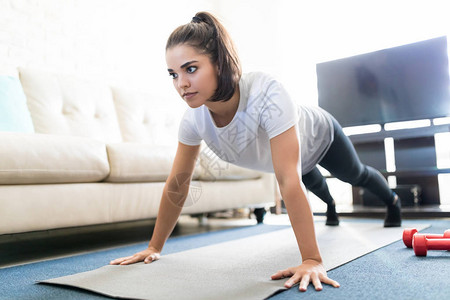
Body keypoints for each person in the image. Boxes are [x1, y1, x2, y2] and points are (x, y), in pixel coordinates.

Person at [110, 11, 402, 292]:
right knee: (315, 184)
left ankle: (393, 200)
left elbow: (287, 180)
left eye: (191, 69)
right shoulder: (193, 120)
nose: (181, 84)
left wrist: (312, 260)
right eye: (173, 74)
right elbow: (178, 184)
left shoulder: (266, 92)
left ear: (220, 64)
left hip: (320, 135)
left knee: (354, 175)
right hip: (293, 157)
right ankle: (332, 209)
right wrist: (154, 247)